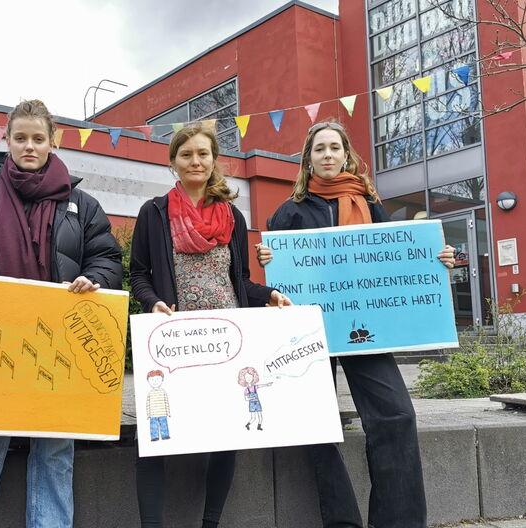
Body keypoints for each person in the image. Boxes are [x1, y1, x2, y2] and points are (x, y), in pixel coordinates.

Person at [0, 99, 123, 528]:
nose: (29, 146)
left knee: (55, 454)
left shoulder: (81, 205)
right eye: (20, 138)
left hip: (61, 353)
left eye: (38, 138)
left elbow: (108, 260)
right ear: (7, 140)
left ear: (54, 141)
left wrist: (96, 280)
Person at [257, 120, 455, 528]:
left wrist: (436, 259)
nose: (327, 155)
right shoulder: (288, 213)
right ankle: (342, 522)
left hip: (366, 330)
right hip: (308, 334)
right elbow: (277, 281)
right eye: (319, 149)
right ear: (307, 159)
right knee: (316, 426)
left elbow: (400, 257)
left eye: (334, 148)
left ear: (347, 155)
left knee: (397, 416)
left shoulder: (371, 204)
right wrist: (268, 263)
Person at [129, 124, 291, 528]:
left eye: (203, 154)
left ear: (214, 160)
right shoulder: (154, 213)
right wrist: (153, 302)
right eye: (186, 155)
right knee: (156, 438)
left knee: (226, 434)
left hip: (227, 339)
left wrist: (268, 295)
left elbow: (241, 282)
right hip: (176, 341)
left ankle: (210, 523)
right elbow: (138, 275)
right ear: (173, 163)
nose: (195, 161)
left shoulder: (233, 216)